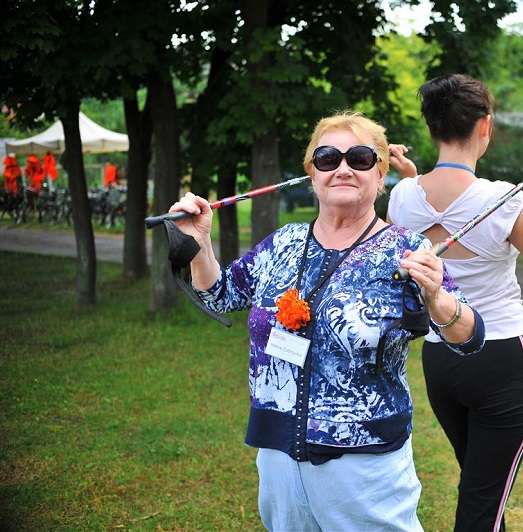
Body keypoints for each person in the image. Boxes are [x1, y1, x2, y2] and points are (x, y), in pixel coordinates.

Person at [168, 110, 486, 531]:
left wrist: (437, 297)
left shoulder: (408, 250)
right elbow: (221, 294)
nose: (342, 169)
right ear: (312, 174)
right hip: (277, 452)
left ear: (380, 175)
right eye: (327, 159)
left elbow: (470, 337)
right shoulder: (282, 242)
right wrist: (200, 242)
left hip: (364, 466)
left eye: (359, 158)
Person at [386, 73, 523, 532]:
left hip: (441, 361)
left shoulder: (400, 197)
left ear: (432, 128)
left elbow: (429, 211)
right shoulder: (501, 199)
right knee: (482, 505)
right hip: (502, 362)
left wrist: (412, 178)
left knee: (481, 492)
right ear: (485, 127)